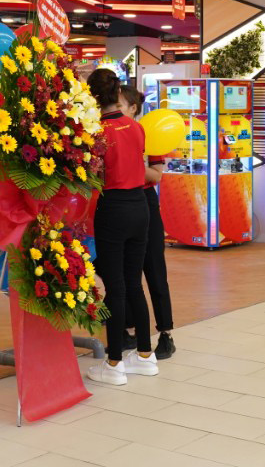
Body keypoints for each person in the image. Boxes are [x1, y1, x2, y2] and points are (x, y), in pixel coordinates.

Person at [85, 69, 157, 386]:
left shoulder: (96, 132)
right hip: (140, 207)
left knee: (114, 287)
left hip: (112, 208)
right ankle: (145, 355)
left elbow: (94, 174)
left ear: (92, 97)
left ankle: (114, 362)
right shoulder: (136, 127)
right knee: (133, 283)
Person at [118, 86, 176, 360]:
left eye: (119, 104)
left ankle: (166, 333)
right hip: (120, 202)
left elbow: (157, 175)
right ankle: (127, 329)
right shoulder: (109, 133)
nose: (114, 109)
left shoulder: (148, 134)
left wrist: (129, 163)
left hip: (145, 202)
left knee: (154, 269)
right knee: (124, 271)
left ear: (133, 108)